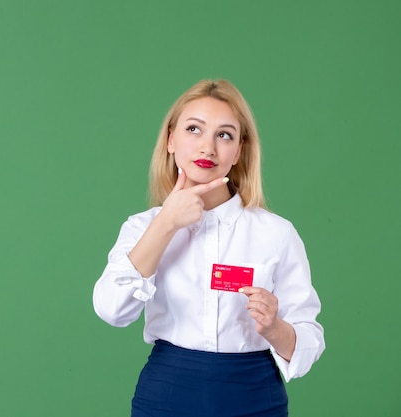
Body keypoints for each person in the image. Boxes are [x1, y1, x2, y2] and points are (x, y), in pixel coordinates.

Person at [92, 79, 325, 417]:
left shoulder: (276, 233)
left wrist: (274, 327)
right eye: (194, 129)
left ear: (239, 150)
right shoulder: (142, 227)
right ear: (171, 140)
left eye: (224, 135)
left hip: (255, 397)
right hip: (167, 395)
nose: (208, 148)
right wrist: (167, 223)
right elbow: (111, 309)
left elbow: (309, 340)